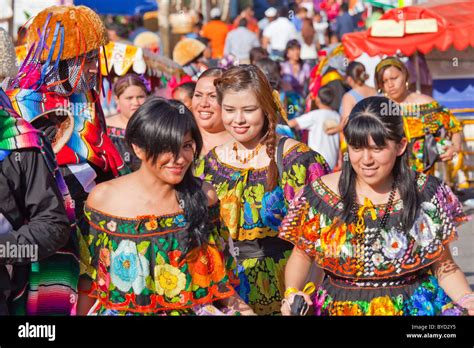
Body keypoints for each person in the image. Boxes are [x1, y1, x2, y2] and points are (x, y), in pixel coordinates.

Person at [280, 96, 474, 316]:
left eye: (377, 148)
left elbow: (444, 267)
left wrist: (468, 299)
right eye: (357, 148)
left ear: (400, 146)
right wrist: (292, 293)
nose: (366, 159)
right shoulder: (319, 195)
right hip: (338, 309)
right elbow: (302, 256)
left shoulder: (425, 193)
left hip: (413, 309)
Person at [78, 97, 255, 315]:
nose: (178, 159)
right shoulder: (104, 199)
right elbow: (88, 280)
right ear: (138, 148)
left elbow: (222, 283)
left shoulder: (204, 196)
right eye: (165, 147)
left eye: (186, 146)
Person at [7, 5, 128, 315]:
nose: (93, 68)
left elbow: (102, 158)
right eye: (86, 59)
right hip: (44, 224)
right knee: (48, 307)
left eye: (94, 57)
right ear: (59, 62)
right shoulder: (19, 101)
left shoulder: (86, 95)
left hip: (95, 220)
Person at [201, 65, 331, 315]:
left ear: (266, 108)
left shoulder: (300, 161)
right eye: (229, 110)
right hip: (230, 291)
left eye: (249, 110)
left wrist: (304, 295)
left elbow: (319, 243)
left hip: (288, 291)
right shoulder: (213, 161)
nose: (238, 120)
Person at [374, 57, 462, 174]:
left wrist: (455, 147)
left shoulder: (426, 105)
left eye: (394, 78)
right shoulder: (377, 109)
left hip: (423, 177)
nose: (390, 84)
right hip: (387, 177)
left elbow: (454, 127)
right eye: (384, 81)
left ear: (405, 75)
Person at [288, 86, 340, 170]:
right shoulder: (337, 116)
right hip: (332, 161)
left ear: (318, 99)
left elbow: (292, 124)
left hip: (317, 160)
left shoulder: (315, 115)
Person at [106, 74, 149, 172]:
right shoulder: (105, 128)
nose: (136, 102)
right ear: (117, 99)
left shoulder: (154, 126)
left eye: (140, 97)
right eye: (129, 98)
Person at [191, 68, 233, 159]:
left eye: (213, 96)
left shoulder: (245, 146)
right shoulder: (178, 137)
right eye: (198, 95)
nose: (203, 104)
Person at [326, 61, 377, 135]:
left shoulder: (349, 97)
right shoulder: (376, 91)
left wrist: (333, 130)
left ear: (349, 78)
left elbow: (347, 122)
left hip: (360, 138)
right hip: (378, 136)